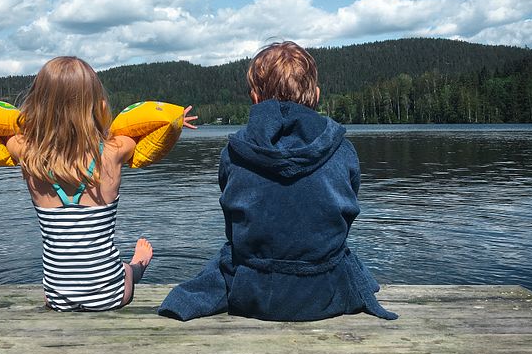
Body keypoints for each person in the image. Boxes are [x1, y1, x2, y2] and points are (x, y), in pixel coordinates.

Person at [158, 42, 398, 321]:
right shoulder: (342, 149)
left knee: (227, 258)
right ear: (317, 96)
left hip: (252, 292)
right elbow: (345, 215)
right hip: (325, 292)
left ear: (255, 98)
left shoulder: (234, 152)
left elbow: (232, 220)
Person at [0, 56, 197, 311]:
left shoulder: (26, 152)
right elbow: (157, 129)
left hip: (56, 296)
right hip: (110, 295)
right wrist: (174, 122)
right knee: (125, 269)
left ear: (37, 105)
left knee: (65, 273)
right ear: (97, 105)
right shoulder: (113, 152)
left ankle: (87, 280)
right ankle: (138, 265)